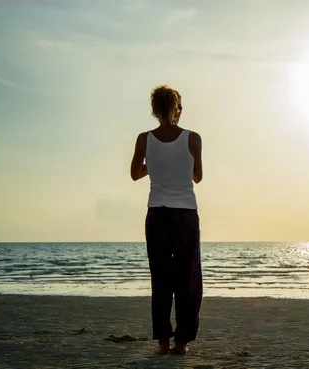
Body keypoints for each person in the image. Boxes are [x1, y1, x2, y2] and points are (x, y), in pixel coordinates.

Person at [130, 85, 203, 355]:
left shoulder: (144, 139)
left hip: (158, 214)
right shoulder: (193, 138)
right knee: (188, 279)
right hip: (184, 214)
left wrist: (156, 165)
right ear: (177, 108)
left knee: (161, 280)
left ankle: (163, 341)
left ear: (154, 109)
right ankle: (181, 343)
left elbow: (136, 173)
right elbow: (198, 176)